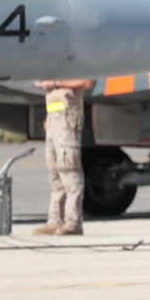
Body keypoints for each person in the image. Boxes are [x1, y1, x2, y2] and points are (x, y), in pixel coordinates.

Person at [32, 78, 94, 236]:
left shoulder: (71, 69)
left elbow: (86, 82)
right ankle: (55, 221)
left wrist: (55, 84)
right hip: (53, 119)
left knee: (69, 171)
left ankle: (73, 222)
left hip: (67, 119)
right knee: (55, 175)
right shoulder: (56, 72)